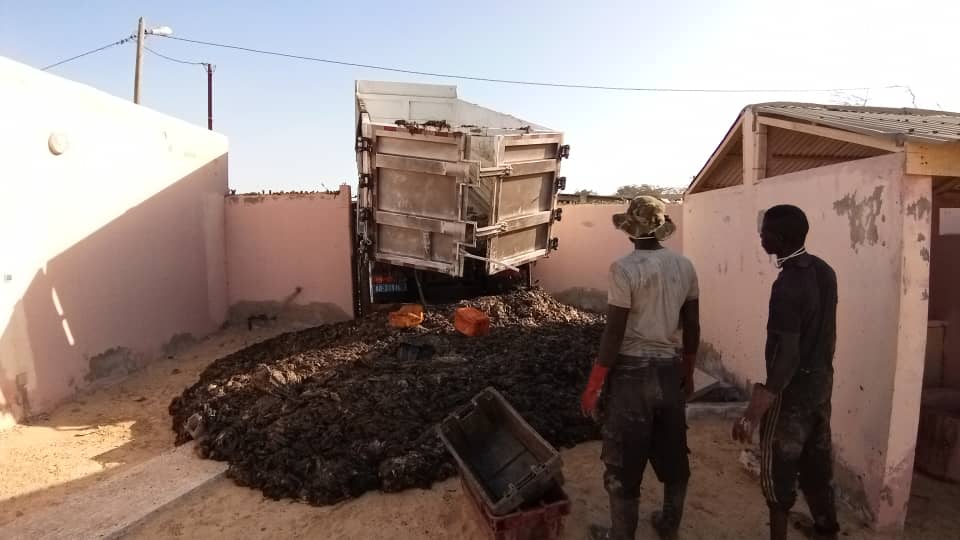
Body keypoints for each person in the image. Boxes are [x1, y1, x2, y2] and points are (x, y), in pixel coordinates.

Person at [581, 196, 700, 540]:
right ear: (661, 230)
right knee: (674, 457)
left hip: (632, 379)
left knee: (623, 464)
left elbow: (614, 333)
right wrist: (688, 373)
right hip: (669, 373)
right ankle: (669, 526)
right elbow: (692, 326)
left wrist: (594, 386)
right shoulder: (684, 266)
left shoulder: (624, 269)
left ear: (630, 231)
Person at [732, 205, 840, 540]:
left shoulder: (787, 286)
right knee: (816, 463)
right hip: (820, 385)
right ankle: (826, 529)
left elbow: (789, 354)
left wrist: (756, 409)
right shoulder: (825, 271)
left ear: (778, 238)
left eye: (764, 232)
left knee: (777, 475)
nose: (760, 237)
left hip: (790, 392)